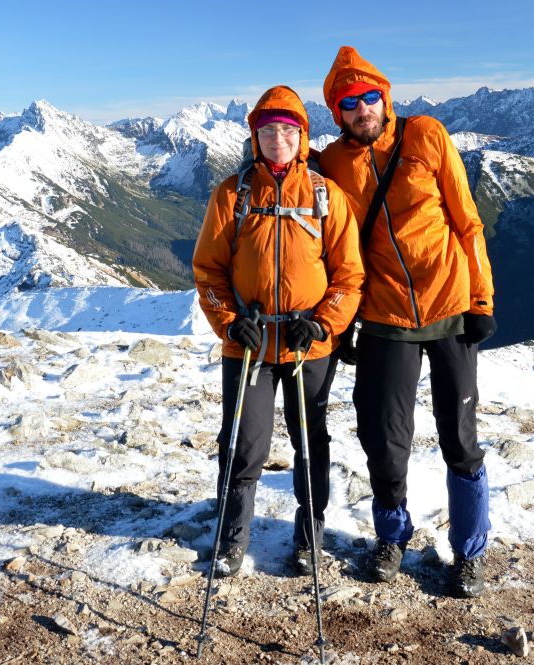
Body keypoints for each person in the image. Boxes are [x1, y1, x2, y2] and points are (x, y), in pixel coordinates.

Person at [319, 47, 496, 598]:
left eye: (370, 96)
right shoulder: (330, 162)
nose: (362, 108)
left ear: (384, 97)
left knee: (460, 440)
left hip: (449, 307)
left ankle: (469, 553)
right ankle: (392, 538)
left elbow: (466, 220)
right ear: (337, 112)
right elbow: (326, 243)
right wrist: (341, 320)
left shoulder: (426, 134)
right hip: (382, 317)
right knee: (384, 440)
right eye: (349, 102)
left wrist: (482, 300)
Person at [192, 85, 364, 577]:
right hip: (247, 342)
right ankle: (230, 541)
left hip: (309, 343)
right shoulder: (233, 193)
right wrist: (230, 321)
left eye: (288, 131)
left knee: (310, 441)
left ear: (303, 137)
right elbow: (209, 271)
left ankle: (310, 537)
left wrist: (323, 322)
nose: (278, 140)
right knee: (244, 444)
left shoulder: (325, 196)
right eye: (268, 131)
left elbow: (349, 276)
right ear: (255, 137)